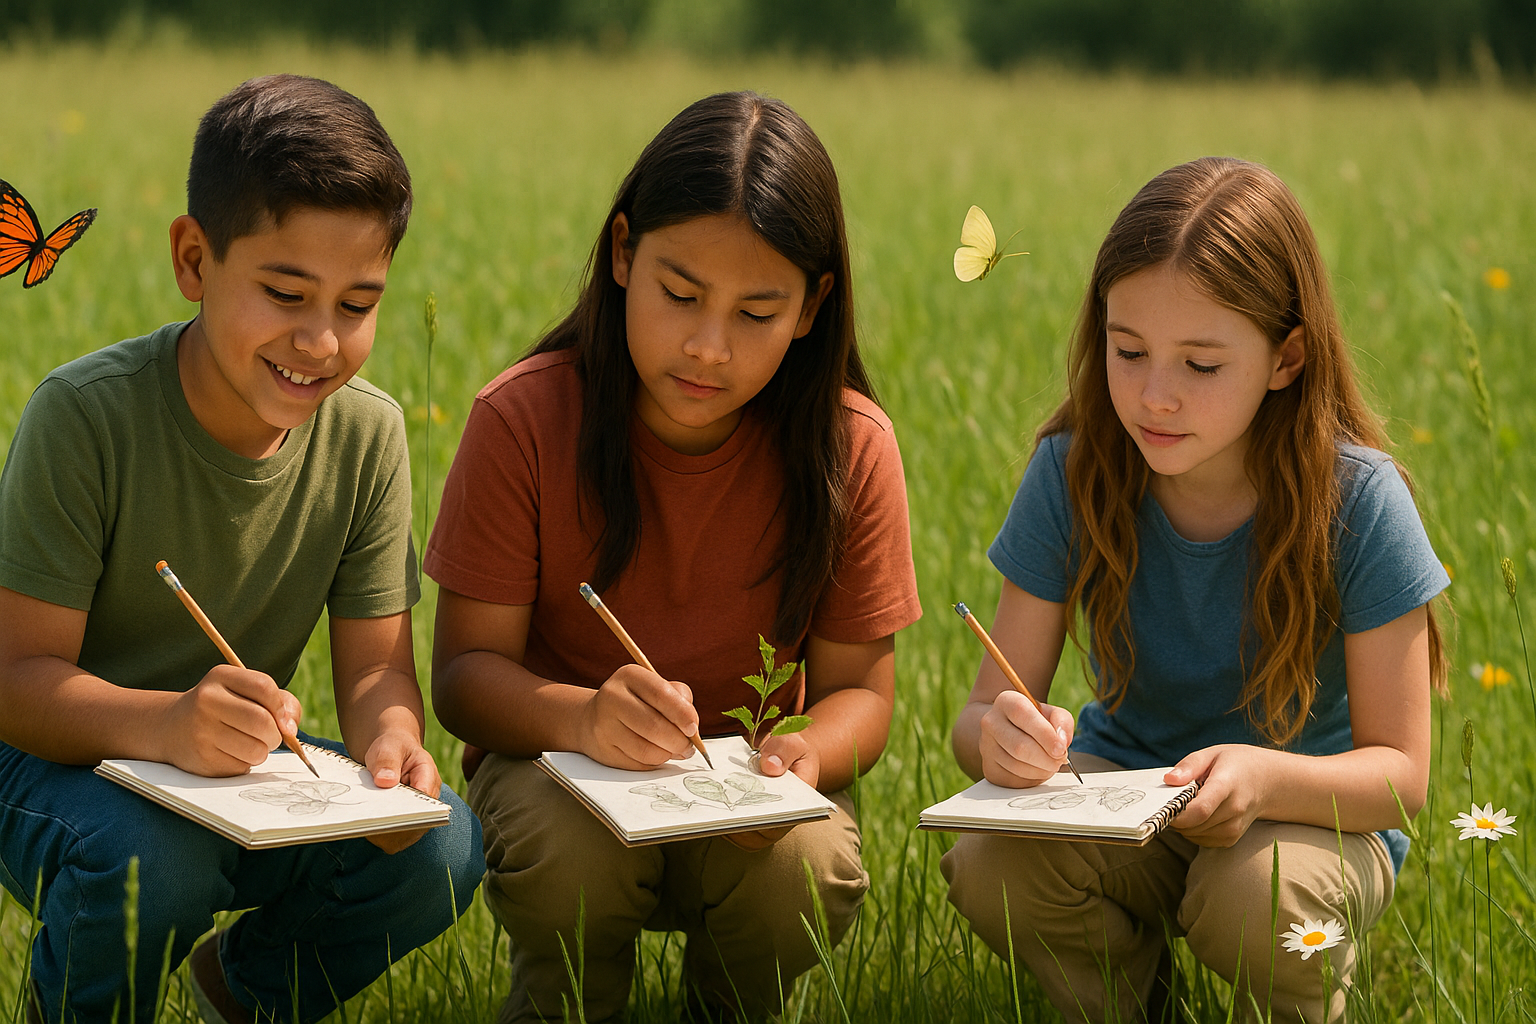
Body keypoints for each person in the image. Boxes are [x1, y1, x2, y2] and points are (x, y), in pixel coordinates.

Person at [426, 90, 922, 1022]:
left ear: (814, 307)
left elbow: (866, 696)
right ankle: (563, 1006)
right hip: (555, 772)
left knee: (805, 863)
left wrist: (803, 757)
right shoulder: (523, 421)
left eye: (756, 313)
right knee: (572, 857)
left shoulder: (851, 447)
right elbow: (462, 676)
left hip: (745, 794)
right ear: (622, 254)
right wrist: (583, 720)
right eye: (679, 295)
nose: (708, 346)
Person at [0, 75, 482, 1024]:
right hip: (46, 761)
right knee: (155, 853)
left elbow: (379, 670)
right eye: (284, 291)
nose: (321, 339)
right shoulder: (87, 416)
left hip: (233, 766)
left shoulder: (368, 434)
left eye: (358, 303)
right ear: (193, 258)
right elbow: (15, 680)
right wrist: (165, 725)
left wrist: (393, 745)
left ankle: (245, 992)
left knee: (442, 847)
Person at [942, 157, 1448, 1024]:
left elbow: (1401, 778)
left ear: (1286, 358)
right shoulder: (1073, 472)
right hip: (1127, 795)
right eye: (1127, 350)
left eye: (1201, 366)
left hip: (1311, 821)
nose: (1154, 395)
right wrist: (1003, 742)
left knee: (1255, 897)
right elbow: (978, 714)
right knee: (991, 857)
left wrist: (1260, 780)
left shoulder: (1360, 501)